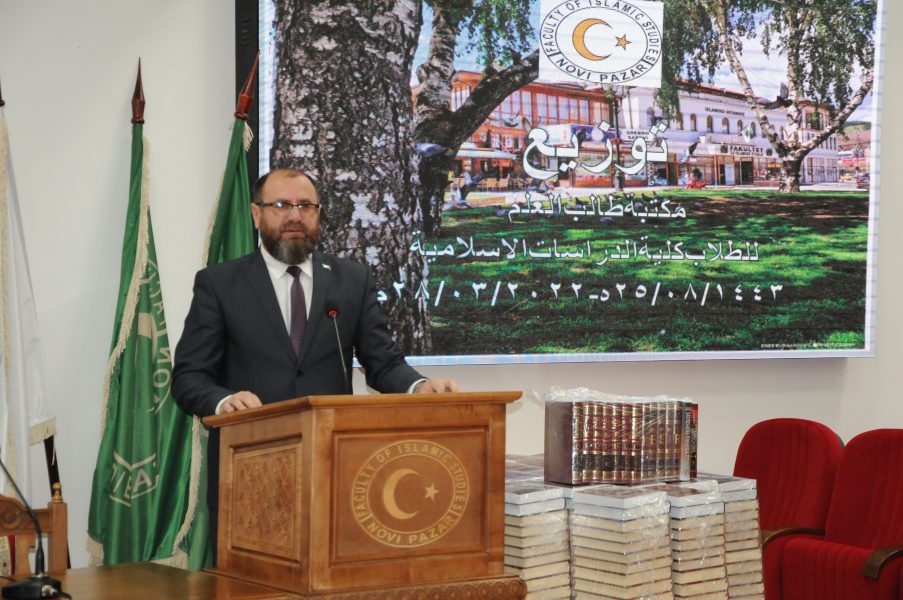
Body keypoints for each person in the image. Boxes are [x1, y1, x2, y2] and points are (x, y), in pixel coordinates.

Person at [172, 168, 458, 545]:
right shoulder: (220, 284)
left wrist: (419, 387)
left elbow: (384, 363)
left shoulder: (351, 280)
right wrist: (224, 402)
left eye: (305, 206)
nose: (295, 216)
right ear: (257, 214)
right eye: (281, 205)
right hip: (249, 469)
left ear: (318, 214)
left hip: (333, 471)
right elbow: (189, 377)